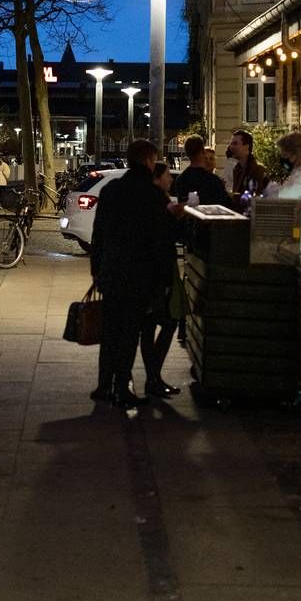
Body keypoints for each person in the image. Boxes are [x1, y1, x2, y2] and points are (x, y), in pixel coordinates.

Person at [89, 138, 181, 408]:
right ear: (149, 160)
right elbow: (161, 241)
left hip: (111, 270)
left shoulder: (111, 190)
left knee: (110, 332)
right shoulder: (153, 196)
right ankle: (122, 387)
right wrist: (163, 280)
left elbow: (99, 233)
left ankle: (104, 385)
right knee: (130, 332)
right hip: (140, 275)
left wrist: (97, 268)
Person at [138, 163, 183, 398]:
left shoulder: (154, 199)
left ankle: (153, 378)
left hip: (147, 272)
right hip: (158, 273)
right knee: (168, 321)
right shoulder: (158, 201)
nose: (171, 180)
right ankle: (153, 377)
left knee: (149, 327)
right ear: (157, 178)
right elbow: (165, 238)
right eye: (167, 176)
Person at [171, 136, 234, 208]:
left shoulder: (181, 179)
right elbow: (226, 204)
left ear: (187, 154)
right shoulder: (213, 180)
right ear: (203, 152)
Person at [222, 130, 268, 213]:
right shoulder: (237, 169)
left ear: (246, 147)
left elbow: (255, 199)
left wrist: (230, 195)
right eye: (231, 144)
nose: (231, 147)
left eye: (235, 143)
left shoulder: (257, 169)